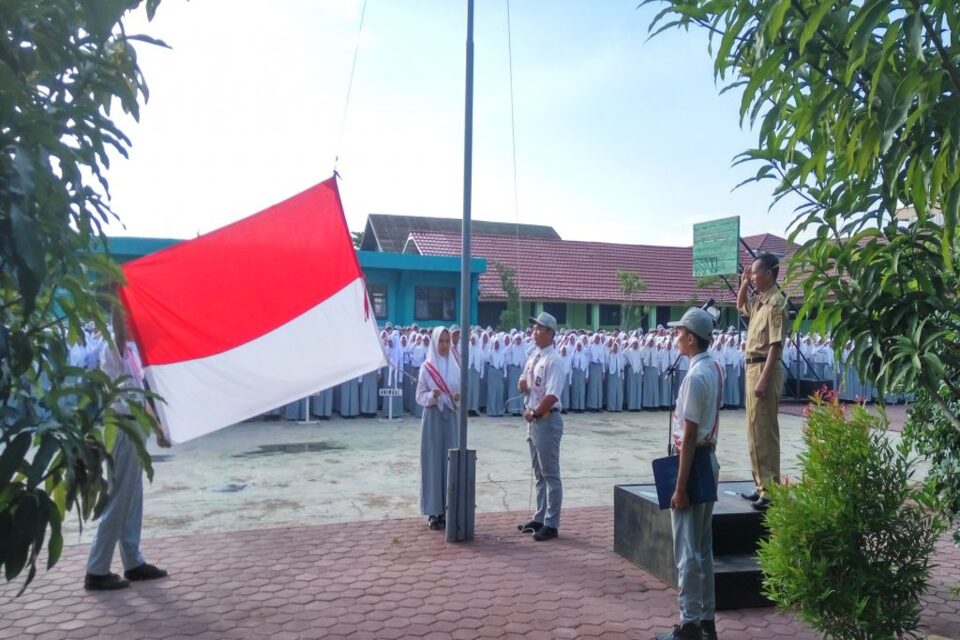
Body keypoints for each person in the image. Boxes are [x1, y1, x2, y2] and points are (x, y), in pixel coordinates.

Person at [84, 304, 171, 591]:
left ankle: (133, 562)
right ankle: (96, 570)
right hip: (120, 427)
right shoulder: (113, 344)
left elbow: (139, 394)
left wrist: (158, 430)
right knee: (120, 498)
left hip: (135, 426)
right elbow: (120, 334)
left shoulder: (133, 353)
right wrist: (122, 299)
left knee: (132, 498)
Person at [654, 307, 723, 640]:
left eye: (679, 332)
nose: (675, 337)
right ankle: (706, 618)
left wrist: (680, 488)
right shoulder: (712, 368)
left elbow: (690, 435)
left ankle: (689, 623)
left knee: (686, 549)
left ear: (692, 339)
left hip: (693, 463)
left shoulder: (696, 376)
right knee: (702, 546)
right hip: (706, 461)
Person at [737, 253, 788, 511]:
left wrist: (764, 380)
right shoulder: (760, 302)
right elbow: (740, 306)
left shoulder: (776, 302)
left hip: (764, 369)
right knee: (753, 430)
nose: (752, 276)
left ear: (769, 273)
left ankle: (771, 490)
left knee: (765, 431)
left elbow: (775, 346)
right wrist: (744, 284)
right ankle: (760, 485)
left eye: (755, 273)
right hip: (752, 369)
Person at [516, 312, 565, 542]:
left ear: (550, 333)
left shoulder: (554, 360)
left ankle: (551, 523)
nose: (534, 332)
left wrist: (535, 412)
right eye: (534, 328)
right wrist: (522, 385)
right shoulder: (534, 356)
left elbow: (552, 395)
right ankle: (540, 516)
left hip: (546, 420)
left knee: (550, 475)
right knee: (539, 474)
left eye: (539, 329)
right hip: (534, 420)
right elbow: (526, 384)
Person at [416, 326, 460, 531]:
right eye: (440, 341)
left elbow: (460, 393)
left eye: (446, 341)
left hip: (450, 418)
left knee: (450, 461)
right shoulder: (427, 367)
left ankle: (448, 507)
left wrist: (458, 398)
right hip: (433, 418)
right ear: (434, 343)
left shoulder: (455, 365)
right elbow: (419, 396)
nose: (444, 345)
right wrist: (431, 397)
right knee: (434, 462)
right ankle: (434, 511)